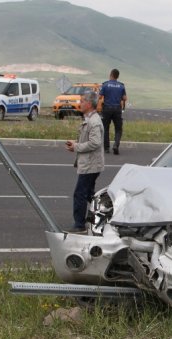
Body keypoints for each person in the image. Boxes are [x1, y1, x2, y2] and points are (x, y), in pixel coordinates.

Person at [65, 91, 104, 233]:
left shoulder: (94, 121)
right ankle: (101, 215)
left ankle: (79, 225)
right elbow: (89, 141)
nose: (79, 104)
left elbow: (95, 143)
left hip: (91, 165)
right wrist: (75, 144)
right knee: (89, 194)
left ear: (89, 103)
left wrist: (77, 147)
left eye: (82, 101)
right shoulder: (89, 119)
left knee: (79, 194)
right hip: (90, 163)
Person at [98, 68, 127, 155]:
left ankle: (106, 148)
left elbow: (99, 97)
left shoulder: (105, 85)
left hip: (106, 109)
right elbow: (125, 98)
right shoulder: (121, 86)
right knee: (118, 129)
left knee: (105, 128)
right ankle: (116, 145)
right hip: (117, 109)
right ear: (117, 76)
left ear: (111, 75)